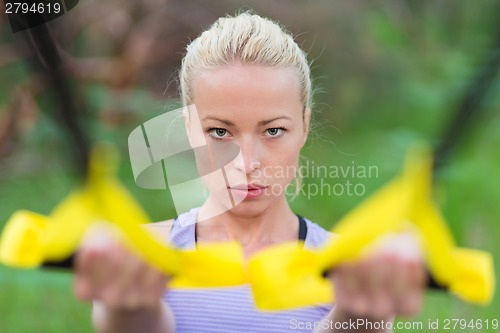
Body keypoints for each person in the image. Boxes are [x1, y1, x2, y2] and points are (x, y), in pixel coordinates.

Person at [73, 12, 426, 333]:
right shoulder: (137, 254)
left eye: (272, 131)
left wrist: (358, 314)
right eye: (220, 132)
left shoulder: (352, 269)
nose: (246, 162)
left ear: (304, 126)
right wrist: (130, 306)